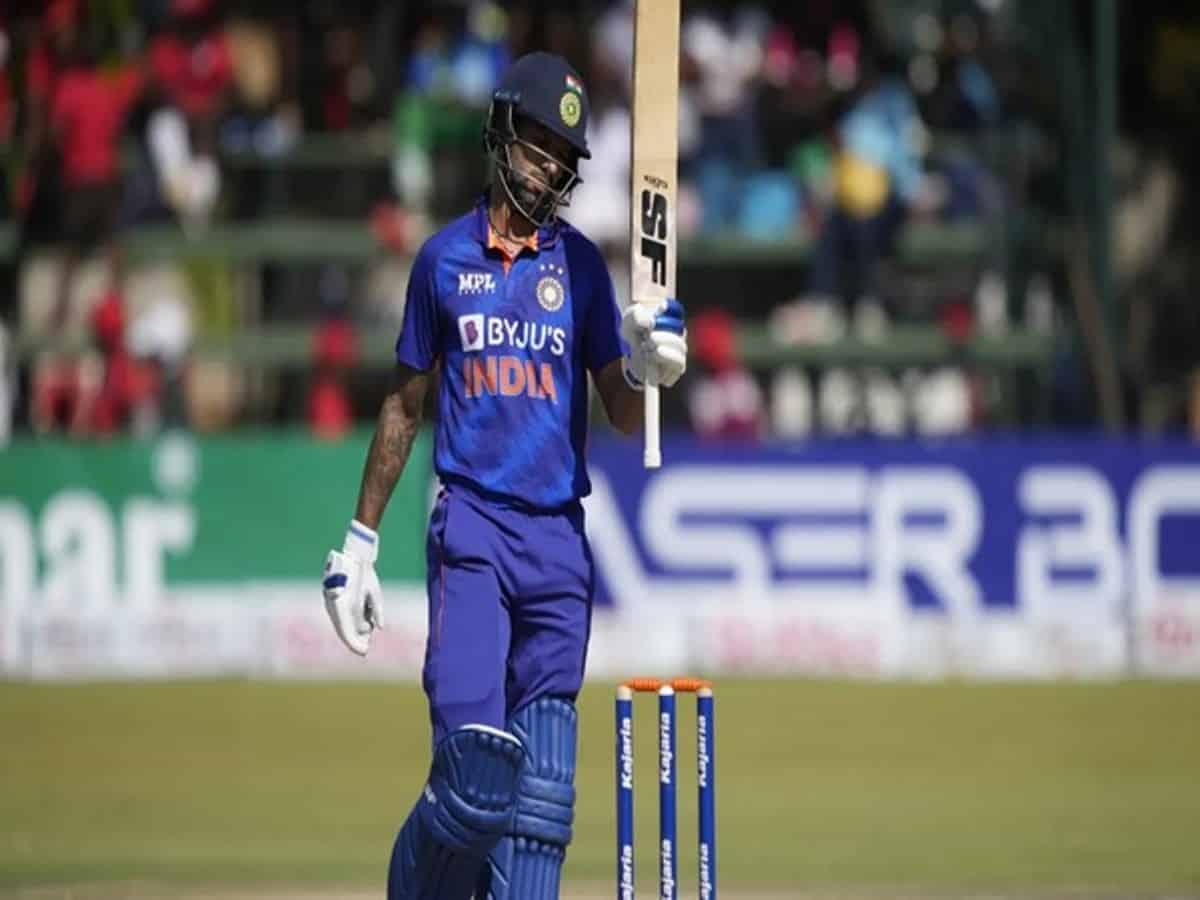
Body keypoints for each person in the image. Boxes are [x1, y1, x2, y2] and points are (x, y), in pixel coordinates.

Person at [319, 52, 688, 900]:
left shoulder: (583, 269)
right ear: (501, 131)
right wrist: (360, 542)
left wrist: (650, 368)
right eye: (537, 143)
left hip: (559, 544)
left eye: (563, 156)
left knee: (542, 809)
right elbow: (403, 407)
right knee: (475, 787)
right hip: (474, 531)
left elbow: (621, 408)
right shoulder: (443, 261)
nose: (548, 166)